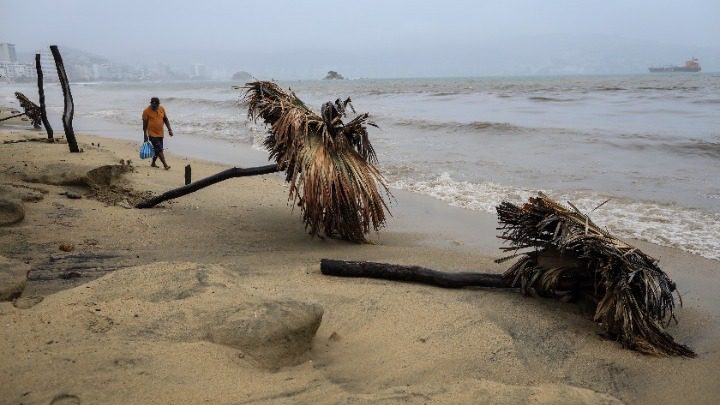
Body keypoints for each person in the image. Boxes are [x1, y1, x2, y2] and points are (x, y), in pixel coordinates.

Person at [142, 97, 174, 169]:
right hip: (152, 133)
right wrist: (145, 135)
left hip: (160, 133)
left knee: (158, 150)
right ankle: (165, 165)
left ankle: (153, 163)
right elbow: (144, 125)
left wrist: (169, 129)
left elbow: (165, 119)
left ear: (158, 104)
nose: (154, 107)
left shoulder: (161, 109)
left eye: (155, 106)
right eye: (153, 106)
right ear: (151, 104)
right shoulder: (146, 111)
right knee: (159, 149)